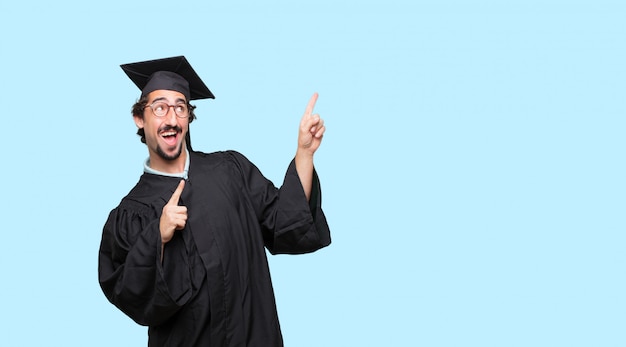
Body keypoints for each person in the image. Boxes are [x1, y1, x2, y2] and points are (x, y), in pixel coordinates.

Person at [98, 56, 331, 346]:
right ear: (139, 117)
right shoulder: (132, 213)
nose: (171, 119)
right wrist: (157, 236)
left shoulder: (230, 171)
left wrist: (305, 153)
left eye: (180, 107)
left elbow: (285, 223)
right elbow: (131, 296)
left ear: (188, 117)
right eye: (159, 108)